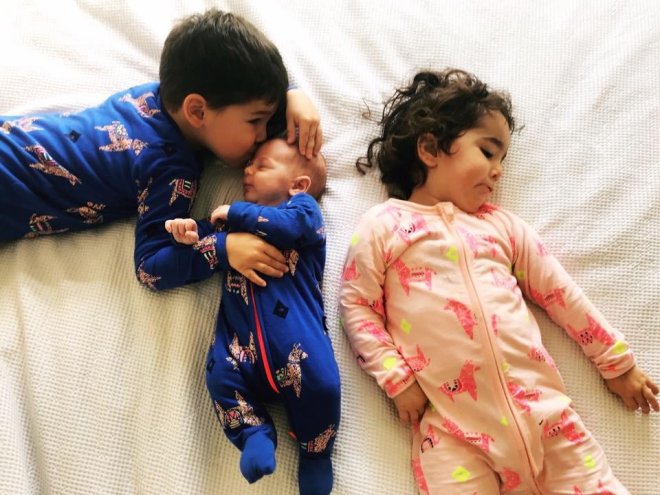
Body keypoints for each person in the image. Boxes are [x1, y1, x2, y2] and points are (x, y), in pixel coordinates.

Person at [339, 69, 659, 494]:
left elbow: (561, 294)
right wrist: (396, 378)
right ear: (430, 148)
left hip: (545, 417)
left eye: (503, 160)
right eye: (488, 152)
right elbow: (356, 304)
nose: (498, 171)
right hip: (454, 433)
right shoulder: (383, 225)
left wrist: (615, 361)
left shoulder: (502, 228)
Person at [0, 8, 323, 291]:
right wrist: (222, 248)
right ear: (197, 111)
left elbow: (242, 78)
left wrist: (292, 93)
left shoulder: (157, 93)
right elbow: (150, 267)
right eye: (256, 121)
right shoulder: (169, 170)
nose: (262, 135)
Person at [165, 137, 340, 495]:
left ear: (298, 185)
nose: (247, 169)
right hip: (238, 349)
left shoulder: (304, 212)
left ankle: (316, 452)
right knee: (219, 376)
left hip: (299, 347)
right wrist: (186, 233)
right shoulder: (228, 225)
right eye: (249, 163)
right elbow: (202, 247)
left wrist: (236, 213)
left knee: (323, 386)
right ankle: (254, 432)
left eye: (261, 165)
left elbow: (287, 226)